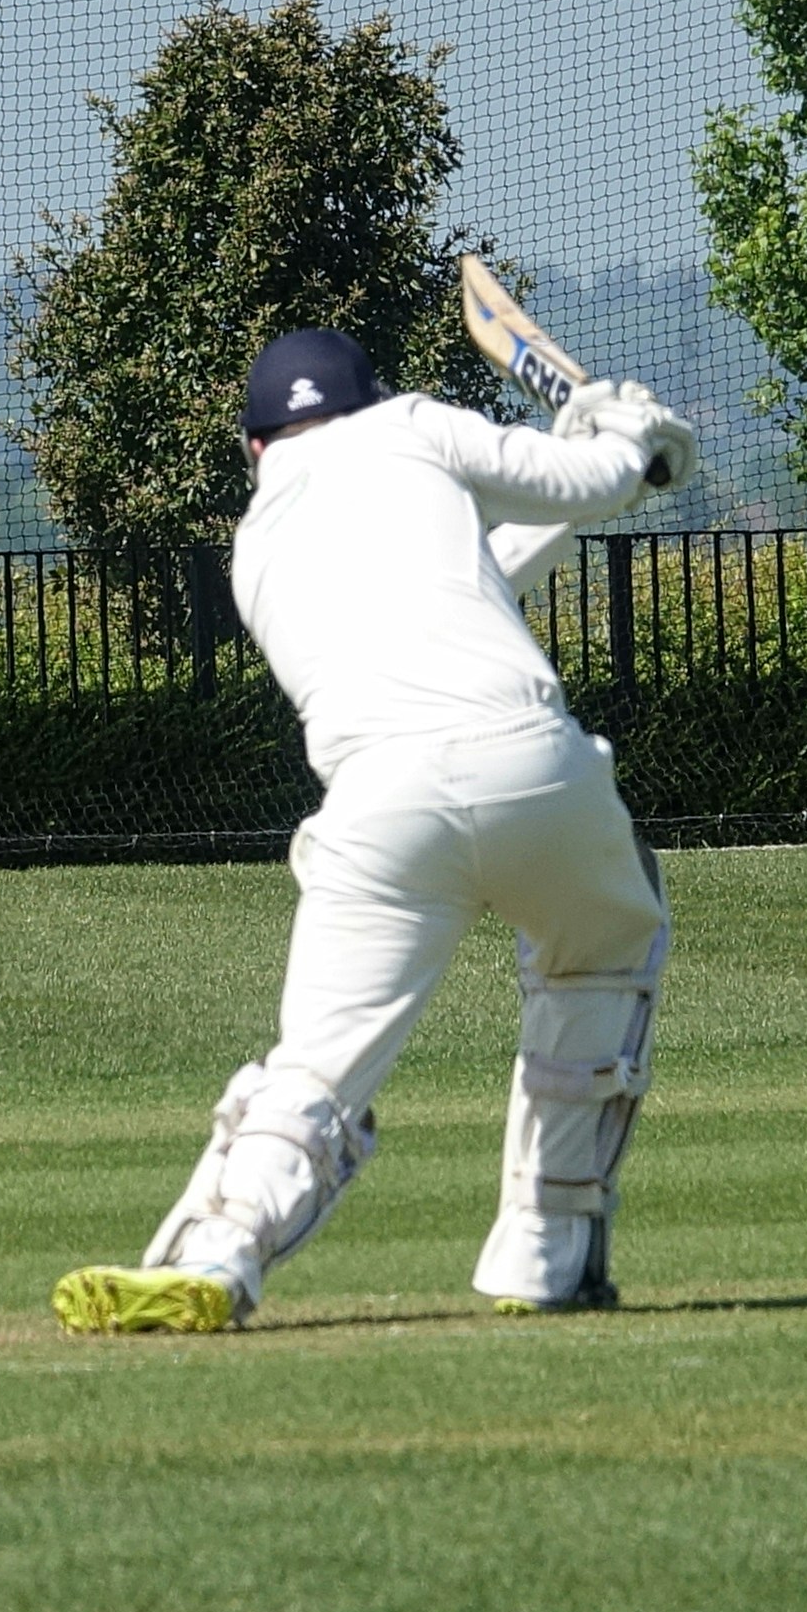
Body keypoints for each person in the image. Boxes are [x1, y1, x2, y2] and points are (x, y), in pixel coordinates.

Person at [53, 323, 692, 1334]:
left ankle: (217, 1254)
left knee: (314, 1064)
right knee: (603, 955)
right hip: (530, 767)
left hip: (379, 807)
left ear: (258, 446)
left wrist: (604, 455)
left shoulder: (256, 547)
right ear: (365, 399)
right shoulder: (413, 427)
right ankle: (545, 1246)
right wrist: (627, 437)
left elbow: (458, 583)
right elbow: (575, 492)